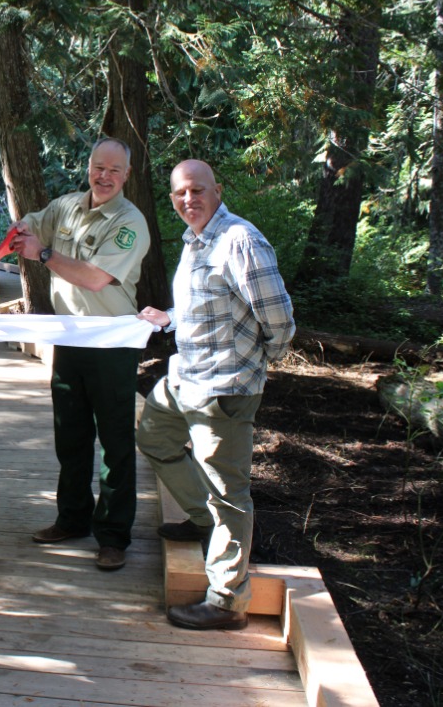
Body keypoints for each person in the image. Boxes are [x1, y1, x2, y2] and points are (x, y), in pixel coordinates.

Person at [136, 158, 295, 630]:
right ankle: (203, 521)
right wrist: (168, 316)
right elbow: (205, 304)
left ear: (217, 191)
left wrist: (257, 364)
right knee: (155, 437)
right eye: (181, 193)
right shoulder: (194, 240)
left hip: (224, 389)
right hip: (185, 378)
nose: (190, 199)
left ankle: (227, 601)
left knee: (229, 494)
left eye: (198, 190)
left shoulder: (238, 240)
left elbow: (279, 320)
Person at [10, 137, 151, 572]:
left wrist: (45, 253)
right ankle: (72, 518)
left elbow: (94, 278)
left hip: (111, 344)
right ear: (88, 167)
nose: (104, 176)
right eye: (98, 167)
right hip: (69, 340)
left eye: (114, 170)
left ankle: (113, 536)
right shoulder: (67, 206)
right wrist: (22, 233)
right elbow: (32, 224)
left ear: (126, 176)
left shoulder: (130, 222)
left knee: (115, 443)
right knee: (70, 436)